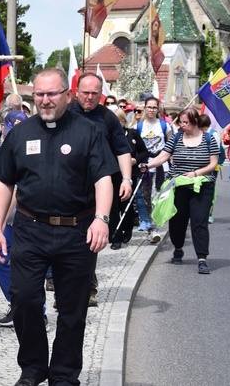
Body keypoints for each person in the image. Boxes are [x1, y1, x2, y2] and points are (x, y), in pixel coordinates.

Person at [0, 68, 116, 386]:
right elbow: (4, 181)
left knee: (73, 309)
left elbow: (103, 177)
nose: (44, 100)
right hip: (30, 230)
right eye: (39, 95)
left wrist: (101, 218)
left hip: (77, 231)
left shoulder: (88, 132)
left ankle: (63, 374)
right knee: (25, 298)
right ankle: (32, 367)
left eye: (52, 94)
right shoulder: (20, 133)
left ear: (67, 95)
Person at [70, 73, 133, 306]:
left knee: (90, 241)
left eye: (94, 93)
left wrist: (126, 178)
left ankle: (87, 289)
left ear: (101, 94)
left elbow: (122, 150)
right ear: (75, 92)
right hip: (66, 190)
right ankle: (65, 289)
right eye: (85, 92)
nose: (89, 97)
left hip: (98, 192)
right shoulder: (64, 114)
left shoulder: (108, 119)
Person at [141, 108, 219, 274]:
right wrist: (148, 165)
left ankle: (202, 259)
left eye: (186, 122)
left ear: (196, 122)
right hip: (178, 185)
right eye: (181, 122)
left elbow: (213, 163)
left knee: (199, 222)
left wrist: (196, 173)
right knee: (177, 220)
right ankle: (178, 248)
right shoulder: (177, 137)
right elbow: (163, 156)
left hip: (202, 186)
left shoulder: (208, 138)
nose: (182, 125)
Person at [0, 110, 28, 327]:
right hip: (12, 220)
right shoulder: (1, 145)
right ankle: (18, 304)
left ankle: (35, 311)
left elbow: (16, 190)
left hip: (23, 220)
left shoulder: (27, 149)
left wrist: (0, 222)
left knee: (26, 265)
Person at [111, 109, 149, 249]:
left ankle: (127, 228)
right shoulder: (107, 136)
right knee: (113, 207)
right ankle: (116, 236)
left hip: (128, 174)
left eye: (118, 121)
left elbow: (144, 151)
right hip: (112, 174)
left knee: (125, 204)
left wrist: (135, 160)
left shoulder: (132, 134)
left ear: (123, 121)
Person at [136, 96, 172, 238]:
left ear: (158, 109)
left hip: (161, 166)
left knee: (157, 196)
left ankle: (155, 225)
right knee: (146, 197)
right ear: (144, 108)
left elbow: (170, 145)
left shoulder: (164, 125)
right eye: (149, 107)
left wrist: (172, 163)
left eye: (154, 107)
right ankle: (149, 222)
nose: (151, 110)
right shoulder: (138, 126)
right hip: (145, 166)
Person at [198, 113, 224, 223]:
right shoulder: (198, 133)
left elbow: (216, 151)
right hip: (199, 166)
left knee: (209, 190)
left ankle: (209, 213)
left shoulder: (214, 134)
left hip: (212, 167)